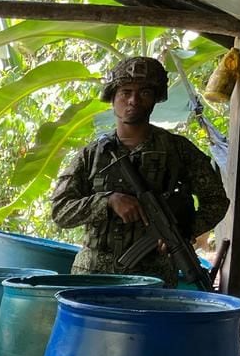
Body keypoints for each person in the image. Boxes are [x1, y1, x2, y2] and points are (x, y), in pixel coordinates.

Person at [50, 56, 230, 286]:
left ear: (155, 99)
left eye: (144, 93)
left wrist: (182, 231)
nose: (133, 100)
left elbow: (216, 200)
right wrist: (107, 201)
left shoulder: (178, 150)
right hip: (93, 277)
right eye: (125, 92)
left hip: (153, 279)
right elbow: (60, 211)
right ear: (113, 97)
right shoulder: (92, 155)